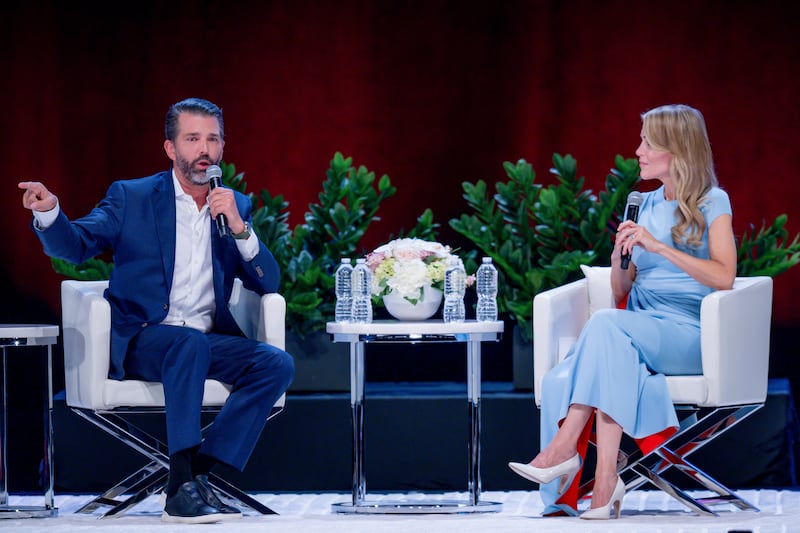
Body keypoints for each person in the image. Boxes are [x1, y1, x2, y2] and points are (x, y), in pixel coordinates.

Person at [19, 97, 295, 524]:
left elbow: (268, 283)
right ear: (171, 148)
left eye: (212, 139)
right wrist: (50, 215)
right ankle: (180, 490)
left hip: (203, 341)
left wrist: (242, 231)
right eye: (192, 139)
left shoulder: (234, 206)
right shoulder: (132, 196)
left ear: (222, 148)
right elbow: (75, 246)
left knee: (275, 364)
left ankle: (194, 477)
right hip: (143, 339)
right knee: (186, 344)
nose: (204, 149)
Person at [508, 104, 736, 519]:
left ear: (677, 148)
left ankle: (562, 449)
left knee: (607, 327)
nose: (638, 150)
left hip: (688, 334)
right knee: (590, 355)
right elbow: (620, 290)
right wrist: (620, 256)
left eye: (648, 143)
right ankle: (606, 485)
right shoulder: (640, 202)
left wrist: (660, 246)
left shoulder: (712, 200)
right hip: (638, 330)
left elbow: (724, 276)